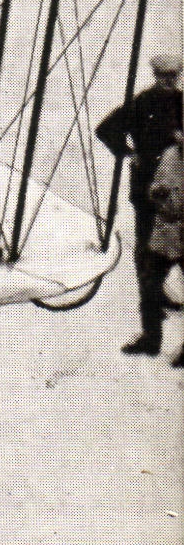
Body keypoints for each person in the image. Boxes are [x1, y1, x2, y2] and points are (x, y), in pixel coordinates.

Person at [97, 52, 184, 357]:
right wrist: (127, 152)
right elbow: (106, 129)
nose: (169, 82)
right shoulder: (142, 103)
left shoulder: (182, 102)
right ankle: (153, 299)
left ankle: (156, 297)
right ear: (155, 75)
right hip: (148, 188)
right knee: (148, 248)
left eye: (174, 77)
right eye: (164, 76)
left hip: (180, 192)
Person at [144, 130, 184, 368]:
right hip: (164, 234)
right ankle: (151, 338)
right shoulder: (169, 155)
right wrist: (156, 193)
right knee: (151, 282)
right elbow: (156, 184)